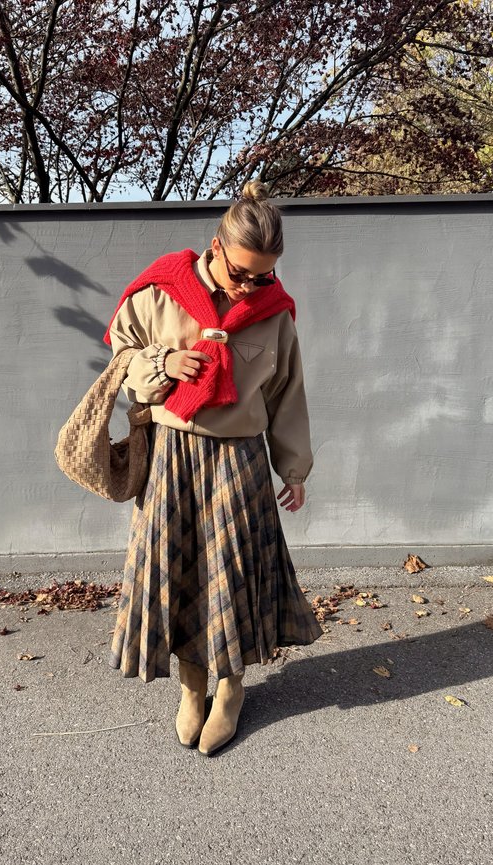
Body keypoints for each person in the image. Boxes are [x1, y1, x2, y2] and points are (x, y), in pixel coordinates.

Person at [103, 180, 324, 756]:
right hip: (171, 458)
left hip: (240, 459)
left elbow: (286, 392)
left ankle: (230, 690)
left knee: (233, 573)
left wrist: (294, 468)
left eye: (265, 276)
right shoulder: (158, 294)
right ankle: (191, 687)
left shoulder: (273, 313)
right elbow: (121, 359)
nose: (252, 285)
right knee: (178, 574)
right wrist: (162, 361)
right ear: (216, 247)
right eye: (243, 273)